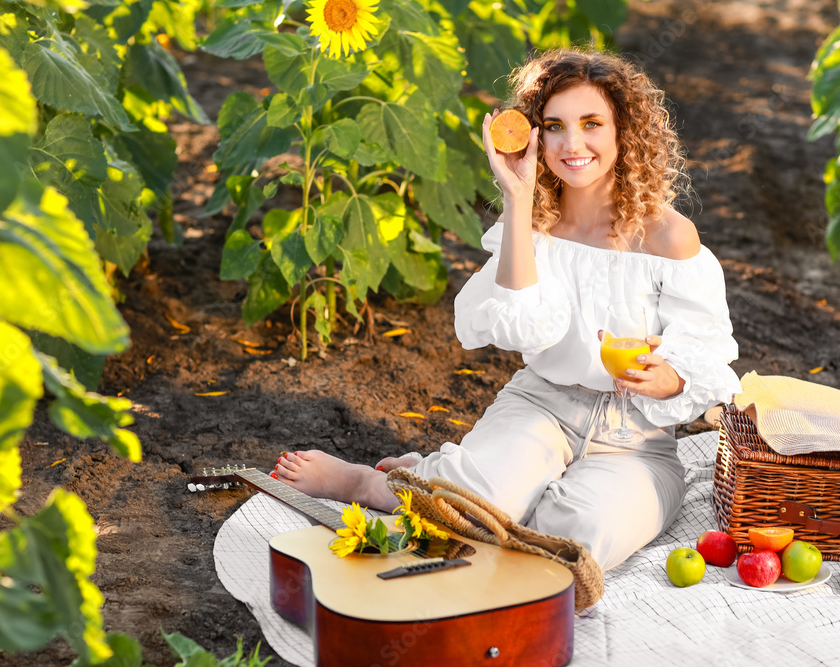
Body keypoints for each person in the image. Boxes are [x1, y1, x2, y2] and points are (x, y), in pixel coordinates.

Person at [273, 48, 741, 571]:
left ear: (622, 131)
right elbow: (524, 325)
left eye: (592, 124)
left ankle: (458, 480)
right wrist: (517, 198)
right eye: (554, 126)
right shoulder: (535, 225)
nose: (572, 143)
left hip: (635, 439)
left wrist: (671, 378)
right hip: (541, 407)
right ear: (534, 135)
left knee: (579, 540)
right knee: (469, 507)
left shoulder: (668, 236)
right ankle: (370, 481)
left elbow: (707, 349)